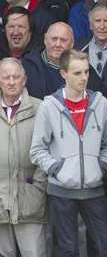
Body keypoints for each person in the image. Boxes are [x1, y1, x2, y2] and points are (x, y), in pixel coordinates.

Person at [30, 49, 107, 257]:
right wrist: (57, 169)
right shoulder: (49, 106)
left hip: (94, 188)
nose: (84, 78)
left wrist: (102, 166)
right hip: (61, 191)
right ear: (63, 73)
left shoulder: (101, 103)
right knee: (68, 250)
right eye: (77, 73)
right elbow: (37, 149)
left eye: (86, 72)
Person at [0, 57, 47, 257]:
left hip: (30, 202)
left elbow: (49, 152)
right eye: (6, 77)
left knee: (34, 254)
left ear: (24, 79)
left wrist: (37, 186)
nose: (11, 82)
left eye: (16, 77)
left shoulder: (41, 108)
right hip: (0, 201)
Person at [22, 21, 101, 99]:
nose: (58, 44)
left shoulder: (84, 69)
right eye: (54, 39)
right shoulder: (26, 66)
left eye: (63, 40)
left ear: (72, 43)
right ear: (45, 40)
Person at [75, 1, 107, 88]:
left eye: (106, 21)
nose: (102, 26)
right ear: (91, 25)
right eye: (98, 21)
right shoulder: (78, 47)